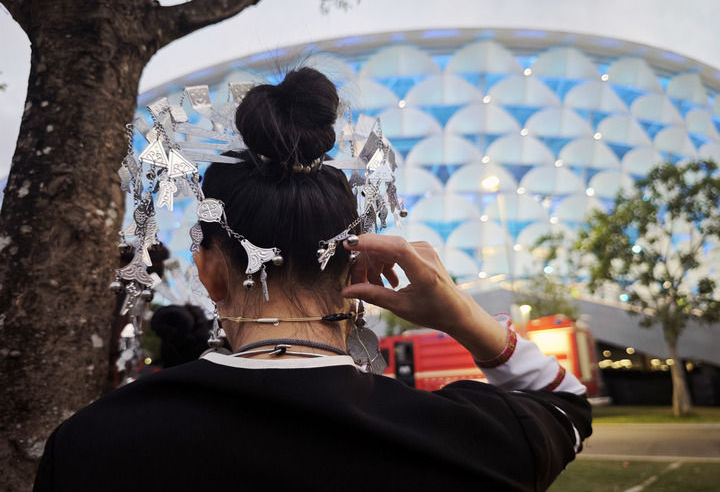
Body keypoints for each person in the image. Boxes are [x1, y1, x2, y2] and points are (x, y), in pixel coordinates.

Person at [34, 68, 591, 491]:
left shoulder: (90, 445)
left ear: (209, 270)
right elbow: (566, 404)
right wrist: (462, 316)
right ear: (356, 264)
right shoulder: (464, 442)